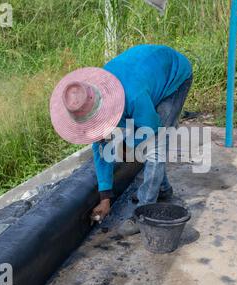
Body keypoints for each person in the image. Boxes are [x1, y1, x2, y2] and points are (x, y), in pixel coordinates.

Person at [50, 44, 192, 236]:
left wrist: (127, 145)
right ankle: (163, 189)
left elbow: (151, 128)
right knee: (137, 141)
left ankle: (144, 210)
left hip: (174, 75)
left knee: (155, 145)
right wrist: (105, 197)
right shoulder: (93, 94)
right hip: (146, 76)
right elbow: (101, 147)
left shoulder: (132, 96)